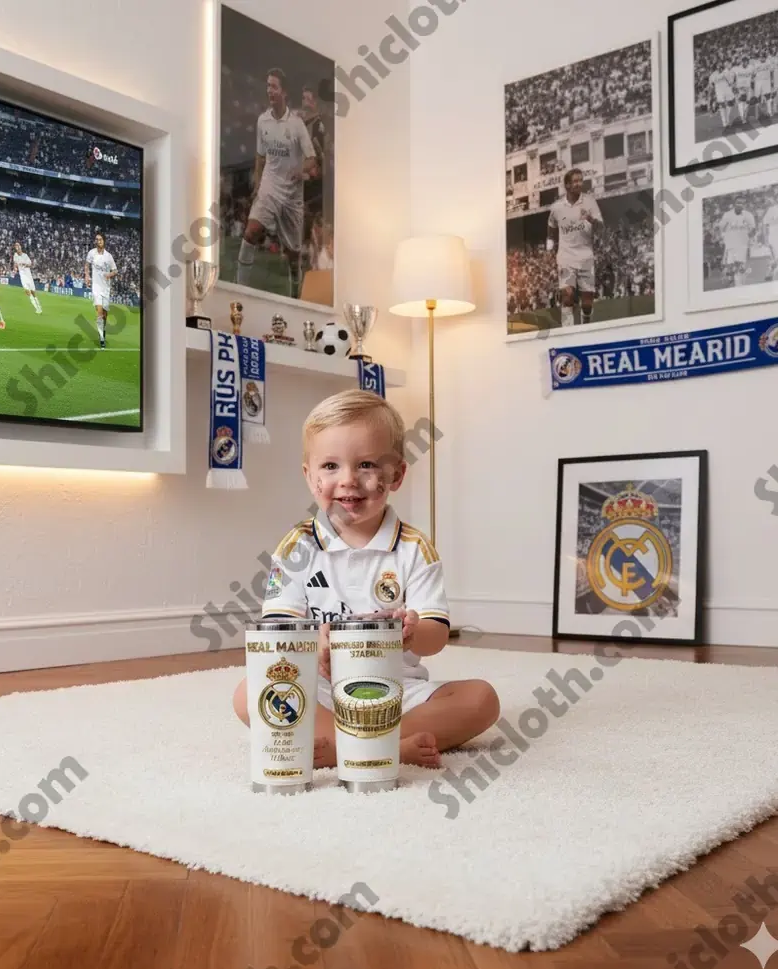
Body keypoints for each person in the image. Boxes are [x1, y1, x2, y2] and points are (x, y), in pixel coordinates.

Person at [230, 389, 500, 770]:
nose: (348, 480)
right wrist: (314, 641)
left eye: (367, 465)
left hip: (396, 689)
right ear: (310, 477)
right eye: (330, 467)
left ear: (396, 475)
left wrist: (412, 630)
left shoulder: (414, 548)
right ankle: (384, 747)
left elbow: (437, 636)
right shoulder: (296, 547)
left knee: (482, 699)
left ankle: (346, 747)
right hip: (322, 688)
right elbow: (279, 632)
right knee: (247, 694)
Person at [235, 67, 317, 299]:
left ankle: (294, 295)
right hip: (269, 188)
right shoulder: (263, 121)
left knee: (293, 255)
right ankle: (240, 291)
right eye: (268, 86)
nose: (269, 90)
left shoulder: (296, 124)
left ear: (284, 92)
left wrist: (300, 170)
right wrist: (258, 184)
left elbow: (312, 159)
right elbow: (261, 157)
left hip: (291, 196)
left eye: (274, 86)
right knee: (251, 233)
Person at [547, 167, 603, 327]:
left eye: (581, 180)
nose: (579, 184)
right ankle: (567, 333)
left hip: (586, 256)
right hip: (566, 257)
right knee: (567, 295)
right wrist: (550, 241)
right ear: (567, 185)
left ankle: (586, 324)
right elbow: (551, 225)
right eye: (575, 181)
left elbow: (601, 227)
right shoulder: (557, 207)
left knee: (587, 303)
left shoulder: (590, 202)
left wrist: (591, 219)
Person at [84, 232, 116, 349]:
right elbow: (87, 265)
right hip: (96, 287)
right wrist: (87, 275)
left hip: (106, 288)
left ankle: (103, 331)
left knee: (105, 315)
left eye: (100, 239)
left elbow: (115, 270)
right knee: (99, 311)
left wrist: (109, 275)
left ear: (104, 241)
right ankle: (101, 338)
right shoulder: (91, 253)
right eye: (97, 239)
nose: (98, 241)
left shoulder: (109, 256)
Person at [12, 241, 43, 314]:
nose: (18, 247)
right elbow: (15, 264)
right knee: (27, 292)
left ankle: (39, 305)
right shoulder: (15, 255)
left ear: (20, 247)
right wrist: (15, 269)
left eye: (18, 246)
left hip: (28, 275)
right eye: (16, 246)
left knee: (33, 292)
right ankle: (37, 308)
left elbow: (30, 264)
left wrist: (25, 264)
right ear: (15, 248)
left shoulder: (25, 255)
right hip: (23, 277)